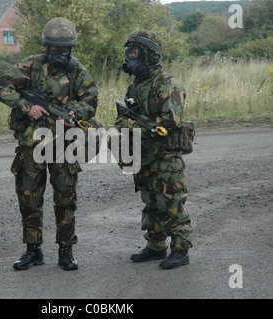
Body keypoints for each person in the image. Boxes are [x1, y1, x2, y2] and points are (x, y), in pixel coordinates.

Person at [0, 17, 99, 271]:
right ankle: (33, 251)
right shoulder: (30, 65)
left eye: (64, 50)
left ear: (71, 48)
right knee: (29, 198)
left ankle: (66, 251)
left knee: (65, 198)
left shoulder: (78, 71)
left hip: (65, 144)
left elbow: (91, 101)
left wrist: (75, 112)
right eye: (54, 49)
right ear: (46, 47)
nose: (59, 54)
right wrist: (26, 106)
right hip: (32, 145)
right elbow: (1, 87)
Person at [115, 30, 192, 269]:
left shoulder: (167, 84)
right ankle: (156, 246)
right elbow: (121, 119)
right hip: (144, 155)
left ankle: (180, 249)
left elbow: (172, 121)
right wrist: (126, 124)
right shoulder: (135, 86)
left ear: (149, 55)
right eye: (129, 52)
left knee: (170, 201)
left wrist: (138, 125)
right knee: (150, 201)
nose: (130, 57)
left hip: (165, 156)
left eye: (135, 52)